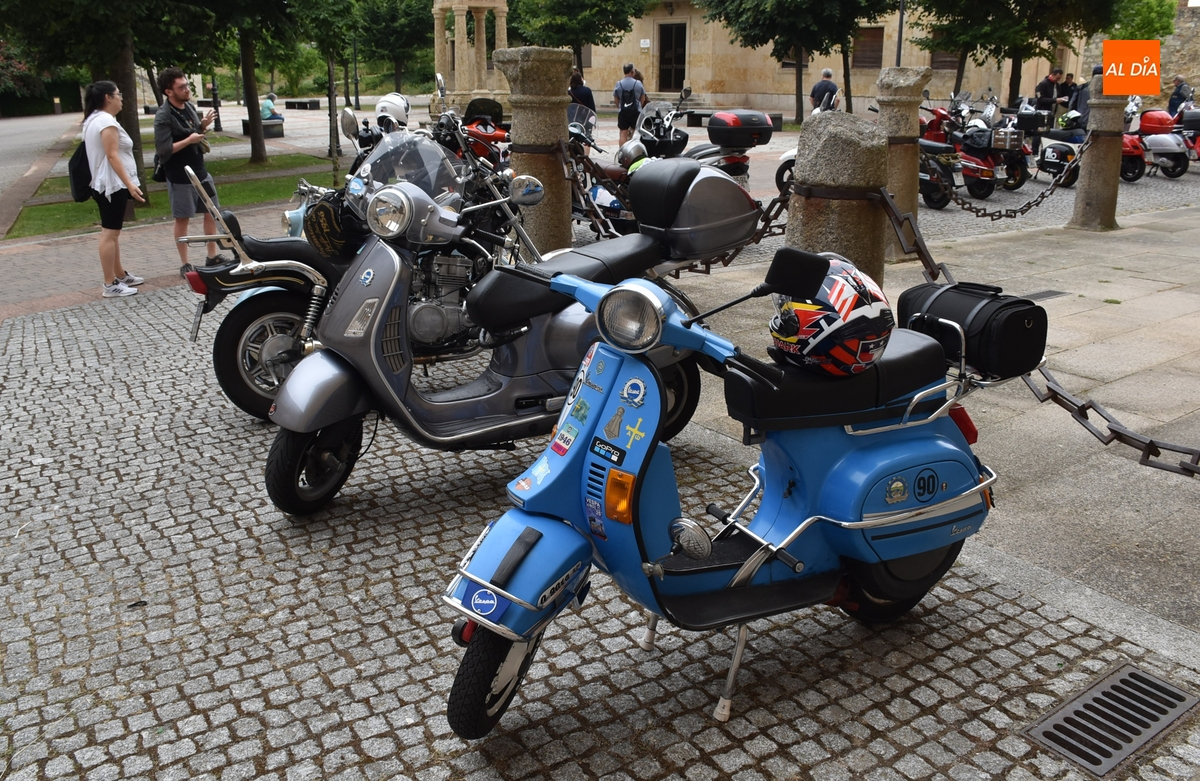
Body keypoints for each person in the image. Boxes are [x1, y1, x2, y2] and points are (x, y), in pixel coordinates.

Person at [154, 67, 231, 278]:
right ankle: (185, 263)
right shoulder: (163, 116)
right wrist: (190, 140)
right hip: (180, 175)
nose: (187, 89)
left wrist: (202, 126)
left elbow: (194, 132)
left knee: (211, 213)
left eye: (187, 85)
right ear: (169, 91)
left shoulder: (188, 106)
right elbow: (163, 150)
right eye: (182, 87)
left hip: (200, 171)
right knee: (182, 218)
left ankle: (212, 256)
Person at [81, 81, 146, 298]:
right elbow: (112, 155)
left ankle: (119, 274)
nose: (121, 98)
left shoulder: (93, 120)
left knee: (114, 232)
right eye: (118, 94)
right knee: (109, 233)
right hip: (111, 185)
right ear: (108, 97)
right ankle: (110, 284)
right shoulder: (105, 121)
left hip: (105, 184)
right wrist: (129, 184)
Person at [1033, 68, 1066, 154]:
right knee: (1038, 133)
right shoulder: (1043, 84)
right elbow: (1040, 99)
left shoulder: (1057, 86)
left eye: (1059, 79)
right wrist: (1054, 100)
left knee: (1048, 132)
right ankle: (1034, 151)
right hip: (1042, 112)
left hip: (1051, 113)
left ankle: (1045, 151)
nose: (1057, 80)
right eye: (1057, 78)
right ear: (1052, 75)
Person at [613, 63, 646, 146]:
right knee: (636, 133)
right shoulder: (638, 83)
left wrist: (619, 106)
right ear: (632, 72)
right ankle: (634, 151)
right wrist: (640, 106)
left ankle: (622, 152)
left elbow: (616, 99)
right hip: (636, 111)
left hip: (623, 111)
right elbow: (643, 97)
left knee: (623, 133)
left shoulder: (619, 83)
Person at [1070, 65, 1102, 130]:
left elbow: (1072, 104)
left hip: (1080, 120)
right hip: (1096, 122)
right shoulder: (1103, 89)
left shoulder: (1081, 87)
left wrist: (1072, 119)